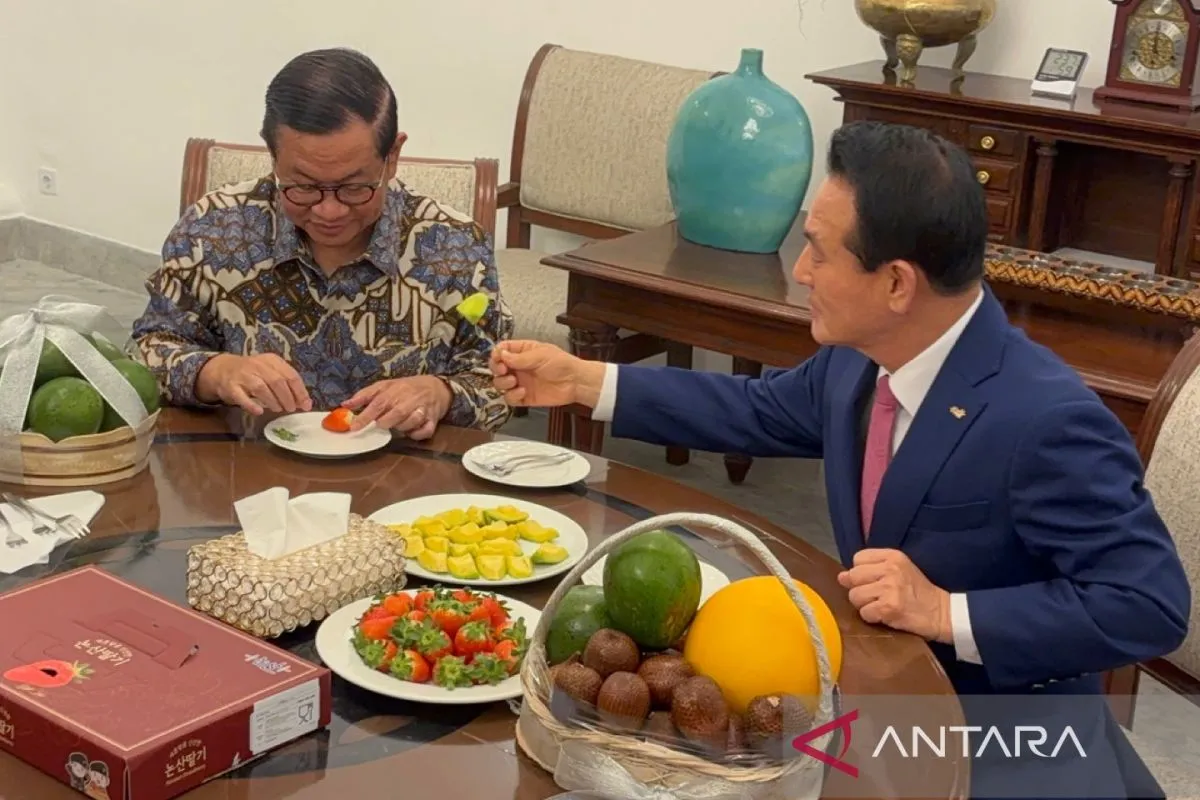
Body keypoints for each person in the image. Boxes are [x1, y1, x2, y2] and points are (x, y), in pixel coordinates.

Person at [490, 121, 1190, 798]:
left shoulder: (1046, 418)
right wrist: (585, 382)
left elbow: (1148, 604)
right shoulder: (859, 358)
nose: (801, 272)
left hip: (1002, 733)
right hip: (877, 691)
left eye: (819, 253)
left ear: (897, 284)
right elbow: (758, 409)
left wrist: (946, 612)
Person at [132, 48, 513, 438]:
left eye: (355, 187)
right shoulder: (214, 227)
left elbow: (499, 388)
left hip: (400, 467)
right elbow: (144, 356)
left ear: (393, 156)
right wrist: (215, 372)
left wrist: (440, 394)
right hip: (247, 464)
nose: (329, 211)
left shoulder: (455, 245)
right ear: (272, 153)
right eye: (303, 187)